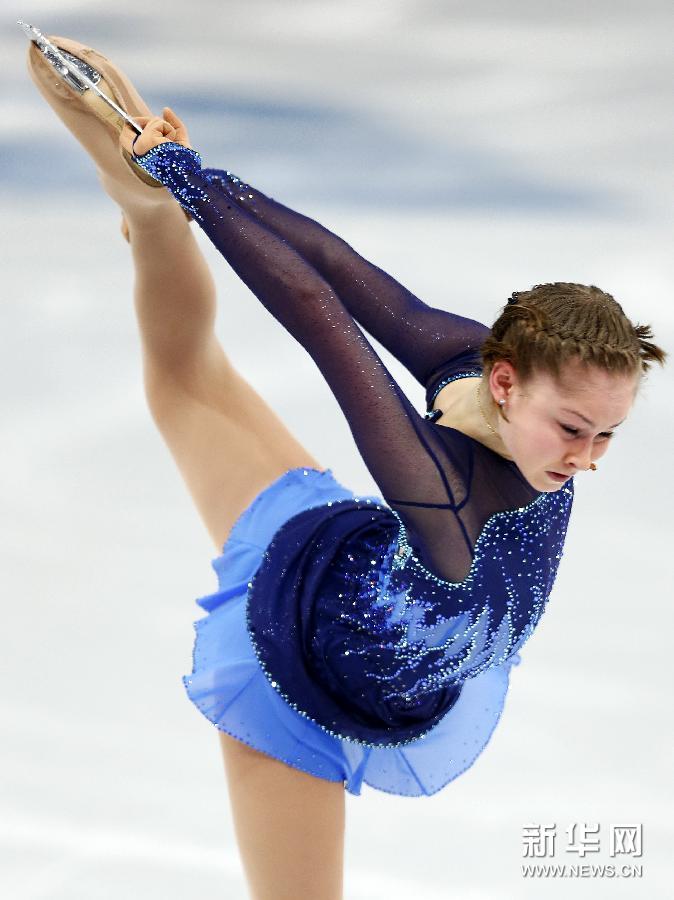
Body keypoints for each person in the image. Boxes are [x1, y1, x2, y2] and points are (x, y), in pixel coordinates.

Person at [26, 34, 667, 900]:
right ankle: (147, 205)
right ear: (505, 382)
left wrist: (200, 176)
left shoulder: (490, 374)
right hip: (298, 684)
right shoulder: (442, 499)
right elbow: (317, 305)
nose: (586, 461)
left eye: (607, 437)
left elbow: (341, 270)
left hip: (353, 572)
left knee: (188, 381)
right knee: (186, 381)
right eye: (574, 428)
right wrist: (190, 181)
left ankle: (148, 204)